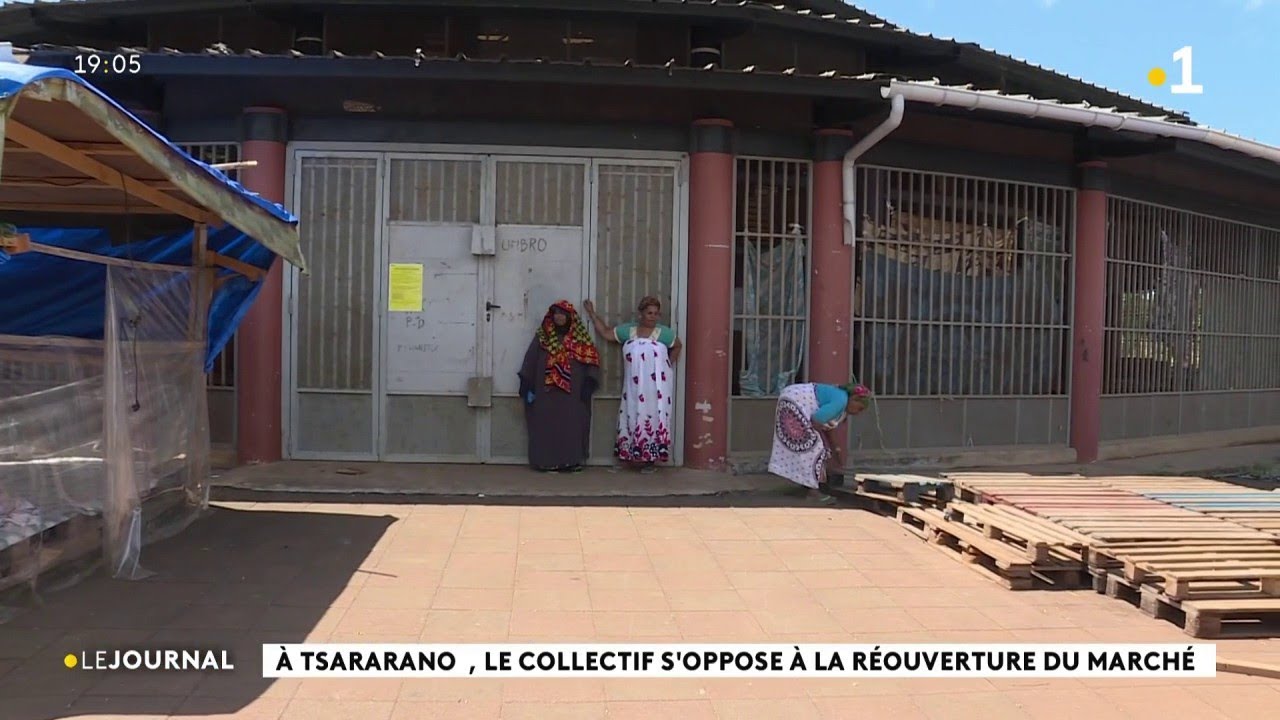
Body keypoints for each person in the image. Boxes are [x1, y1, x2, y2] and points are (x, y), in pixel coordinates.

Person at [582, 296, 682, 474]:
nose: (653, 317)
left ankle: (650, 461)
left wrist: (667, 364)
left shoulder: (664, 333)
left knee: (654, 417)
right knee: (630, 414)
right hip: (634, 387)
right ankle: (627, 457)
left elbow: (677, 346)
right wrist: (591, 313)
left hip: (656, 388)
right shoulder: (629, 331)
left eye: (656, 314)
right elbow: (605, 332)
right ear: (641, 314)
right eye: (649, 313)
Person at [517, 301, 601, 473]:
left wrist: (588, 384)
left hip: (572, 394)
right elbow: (531, 360)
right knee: (545, 426)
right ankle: (545, 462)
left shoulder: (580, 339)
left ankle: (570, 462)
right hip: (545, 393)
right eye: (556, 313)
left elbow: (592, 361)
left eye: (563, 314)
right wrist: (526, 384)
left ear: (570, 317)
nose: (559, 317)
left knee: (571, 426)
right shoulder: (543, 337)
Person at [768, 381, 870, 491]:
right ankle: (813, 491)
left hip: (790, 395)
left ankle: (806, 484)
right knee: (814, 447)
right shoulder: (841, 401)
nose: (858, 413)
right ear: (854, 398)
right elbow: (817, 419)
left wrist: (836, 450)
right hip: (794, 400)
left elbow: (827, 428)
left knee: (810, 446)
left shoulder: (841, 402)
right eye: (859, 408)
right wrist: (823, 444)